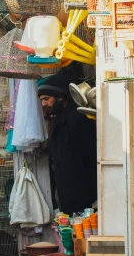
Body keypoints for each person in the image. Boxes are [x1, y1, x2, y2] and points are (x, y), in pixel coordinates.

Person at [37, 73, 97, 215]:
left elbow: (90, 154)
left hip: (84, 197)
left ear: (60, 96)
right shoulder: (59, 118)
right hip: (70, 198)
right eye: (41, 100)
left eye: (46, 99)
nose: (43, 104)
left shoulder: (76, 118)